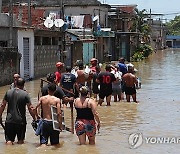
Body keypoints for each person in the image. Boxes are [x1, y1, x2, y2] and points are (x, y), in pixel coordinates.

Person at [0, 78, 35, 145]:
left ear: (15, 83)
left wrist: (0, 115)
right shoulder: (25, 94)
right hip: (21, 121)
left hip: (9, 121)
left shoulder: (8, 92)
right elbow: (30, 108)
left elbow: (2, 105)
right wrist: (34, 118)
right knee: (20, 141)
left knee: (9, 141)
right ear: (23, 85)